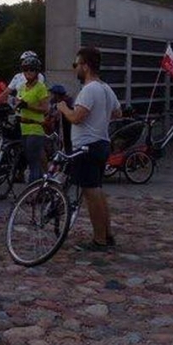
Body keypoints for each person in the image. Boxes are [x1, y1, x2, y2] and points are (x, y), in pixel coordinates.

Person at [57, 46, 122, 251]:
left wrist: (63, 108)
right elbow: (118, 113)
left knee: (91, 193)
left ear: (85, 66)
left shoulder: (89, 89)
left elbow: (76, 117)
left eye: (76, 64)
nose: (75, 68)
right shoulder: (105, 87)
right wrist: (100, 118)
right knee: (97, 191)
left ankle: (99, 240)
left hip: (87, 147)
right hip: (101, 143)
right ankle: (107, 234)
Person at [15, 56, 50, 182]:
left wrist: (28, 105)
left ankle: (33, 188)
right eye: (25, 70)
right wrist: (17, 105)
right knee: (30, 159)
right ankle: (40, 186)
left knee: (34, 161)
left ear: (37, 72)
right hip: (23, 126)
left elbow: (45, 109)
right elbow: (17, 101)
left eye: (31, 70)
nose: (28, 72)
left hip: (35, 127)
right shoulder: (22, 87)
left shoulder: (40, 87)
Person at [46, 83, 74, 154]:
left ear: (57, 94)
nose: (51, 95)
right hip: (57, 128)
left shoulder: (65, 103)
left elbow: (56, 115)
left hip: (65, 128)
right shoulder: (53, 102)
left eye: (53, 93)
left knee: (66, 144)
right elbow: (49, 113)